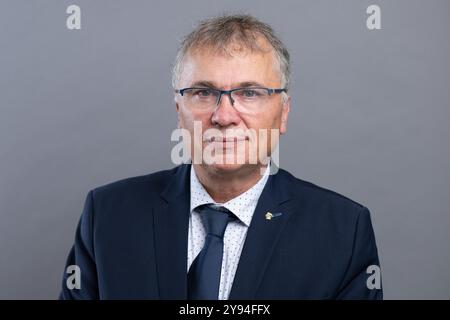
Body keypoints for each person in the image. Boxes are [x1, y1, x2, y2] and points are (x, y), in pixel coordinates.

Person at [59, 14, 382, 300]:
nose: (224, 115)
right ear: (178, 111)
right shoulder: (108, 214)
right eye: (203, 92)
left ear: (283, 112)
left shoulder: (342, 230)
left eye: (250, 93)